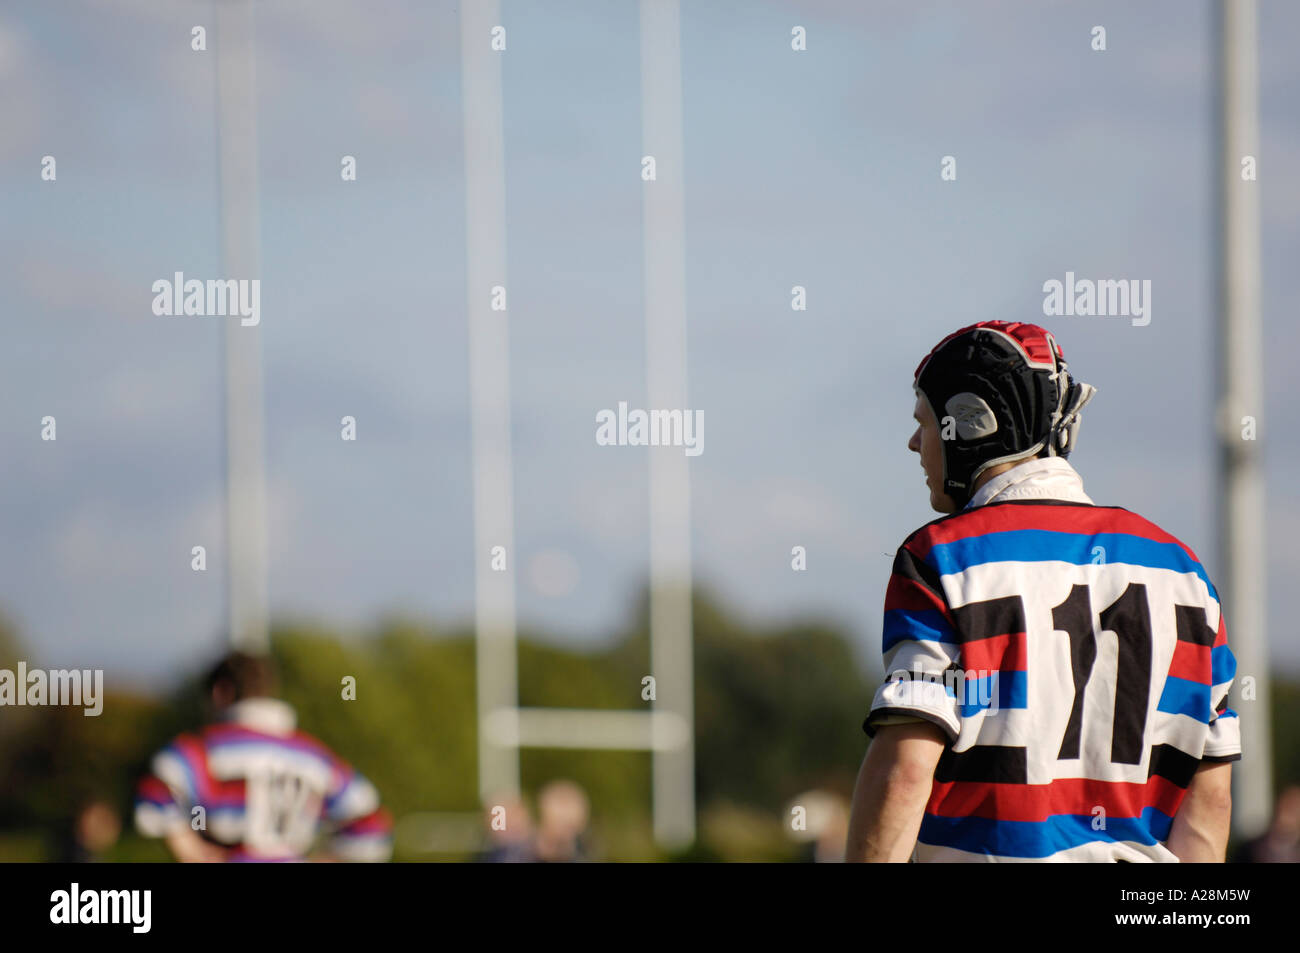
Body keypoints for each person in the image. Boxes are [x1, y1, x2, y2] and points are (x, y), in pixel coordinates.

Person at [846, 321, 1240, 862]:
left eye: (925, 422)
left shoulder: (943, 556)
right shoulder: (1185, 573)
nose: (915, 443)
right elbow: (1209, 803)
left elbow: (906, 771)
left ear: (971, 424)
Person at [135, 652, 392, 862]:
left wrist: (190, 849)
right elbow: (371, 824)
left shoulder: (207, 748)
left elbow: (157, 788)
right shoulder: (314, 756)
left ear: (220, 692)